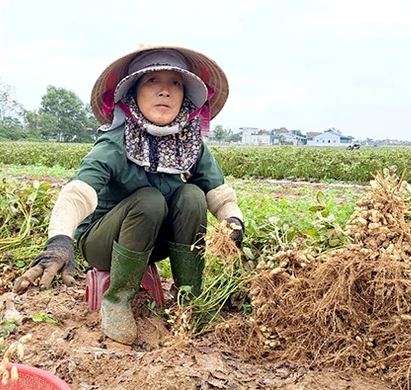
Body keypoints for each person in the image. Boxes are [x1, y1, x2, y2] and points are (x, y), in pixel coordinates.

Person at [13, 46, 244, 345]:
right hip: (104, 242)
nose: (165, 91)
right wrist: (59, 242)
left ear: (185, 95)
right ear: (133, 92)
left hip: (153, 244)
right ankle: (118, 299)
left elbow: (217, 192)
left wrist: (233, 221)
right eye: (152, 81)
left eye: (175, 83)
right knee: (149, 199)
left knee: (191, 196)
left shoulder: (190, 144)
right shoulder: (115, 142)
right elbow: (78, 192)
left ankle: (189, 297)